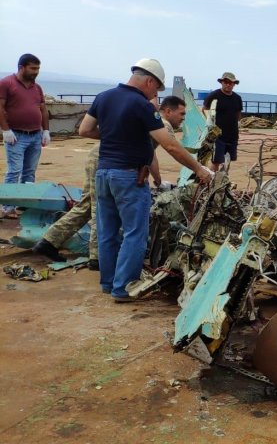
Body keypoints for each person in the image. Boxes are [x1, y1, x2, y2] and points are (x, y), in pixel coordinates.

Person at [78, 58, 213, 302]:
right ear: (149, 81)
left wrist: (115, 136)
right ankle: (123, 288)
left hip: (103, 174)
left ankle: (108, 283)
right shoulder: (142, 105)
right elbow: (170, 145)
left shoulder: (103, 97)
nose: (155, 96)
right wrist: (199, 169)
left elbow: (84, 130)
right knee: (135, 234)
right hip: (129, 177)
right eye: (156, 90)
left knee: (108, 232)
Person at [31, 95, 190, 268]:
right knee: (99, 207)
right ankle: (97, 258)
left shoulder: (152, 121)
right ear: (168, 111)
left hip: (100, 156)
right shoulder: (163, 125)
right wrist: (197, 170)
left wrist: (157, 180)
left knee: (86, 206)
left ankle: (48, 242)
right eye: (181, 114)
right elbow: (172, 148)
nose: (183, 118)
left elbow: (149, 153)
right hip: (107, 160)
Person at [0, 53, 51, 218]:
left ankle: (25, 204)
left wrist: (46, 131)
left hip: (35, 135)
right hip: (16, 136)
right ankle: (7, 207)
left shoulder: (37, 88)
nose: (36, 72)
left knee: (29, 172)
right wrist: (6, 130)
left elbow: (43, 109)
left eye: (38, 69)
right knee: (14, 171)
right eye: (33, 68)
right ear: (21, 67)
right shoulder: (6, 83)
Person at [203, 72, 243, 171]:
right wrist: (210, 124)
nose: (228, 84)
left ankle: (223, 178)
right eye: (226, 82)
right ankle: (211, 178)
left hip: (233, 135)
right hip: (218, 135)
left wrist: (238, 124)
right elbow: (204, 109)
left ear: (234, 84)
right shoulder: (214, 95)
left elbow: (238, 113)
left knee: (228, 160)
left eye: (231, 82)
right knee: (216, 161)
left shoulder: (237, 98)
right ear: (222, 82)